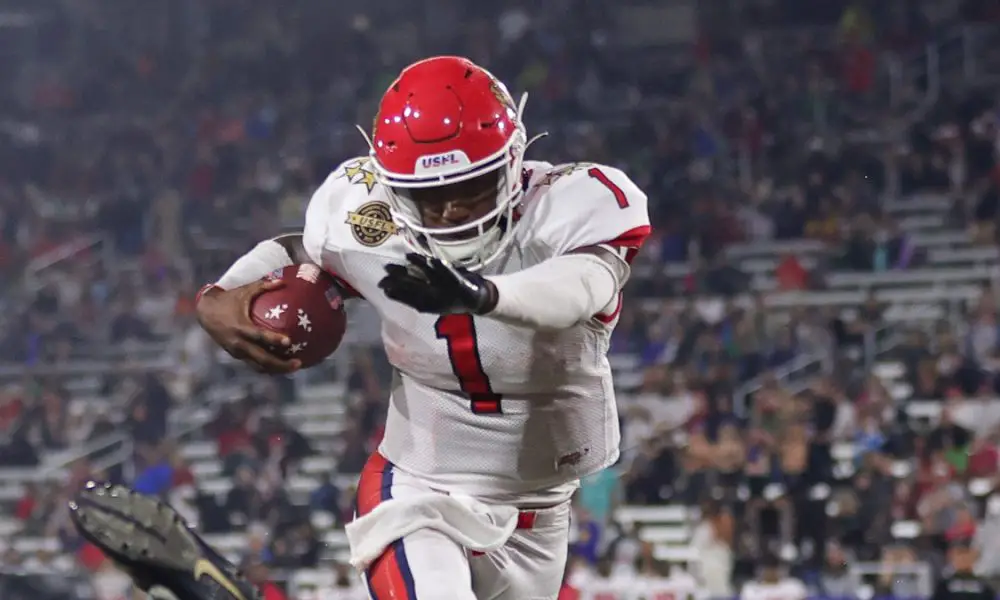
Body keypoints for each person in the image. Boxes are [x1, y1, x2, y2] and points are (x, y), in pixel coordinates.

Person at [70, 55, 650, 600]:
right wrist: (214, 298)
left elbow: (581, 287)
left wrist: (484, 294)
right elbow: (307, 251)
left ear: (513, 160)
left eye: (467, 190)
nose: (449, 213)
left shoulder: (571, 206)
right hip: (421, 489)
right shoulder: (364, 216)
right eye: (431, 198)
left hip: (543, 513)